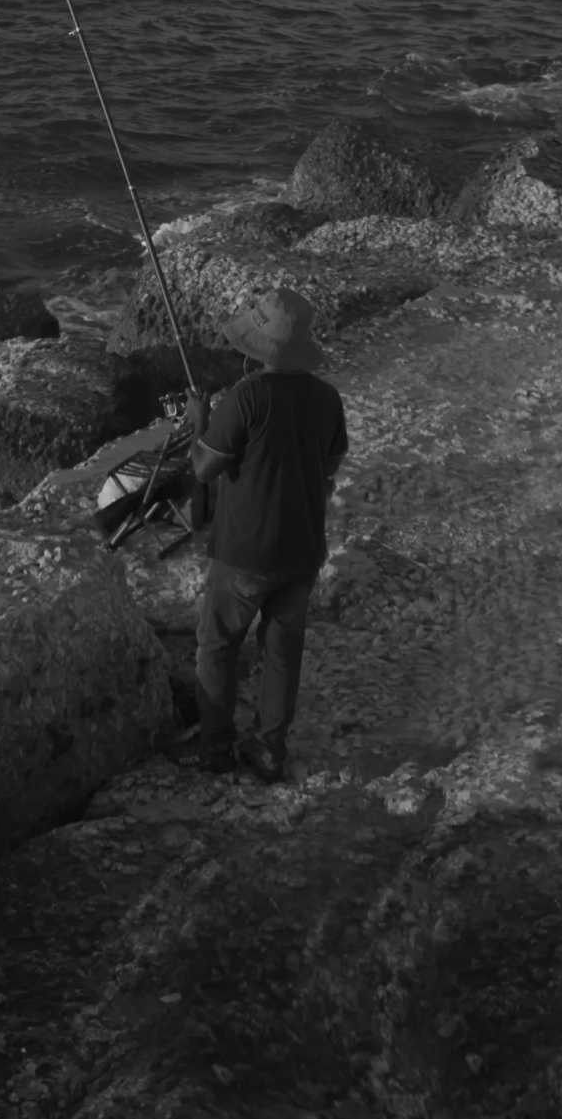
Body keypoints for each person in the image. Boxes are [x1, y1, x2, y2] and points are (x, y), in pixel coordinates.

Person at [185, 288, 347, 782]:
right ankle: (269, 750)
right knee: (281, 651)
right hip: (302, 550)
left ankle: (215, 749)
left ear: (259, 345)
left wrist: (198, 422)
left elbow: (204, 467)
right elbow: (331, 464)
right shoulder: (327, 398)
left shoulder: (247, 396)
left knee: (218, 645)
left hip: (245, 552)